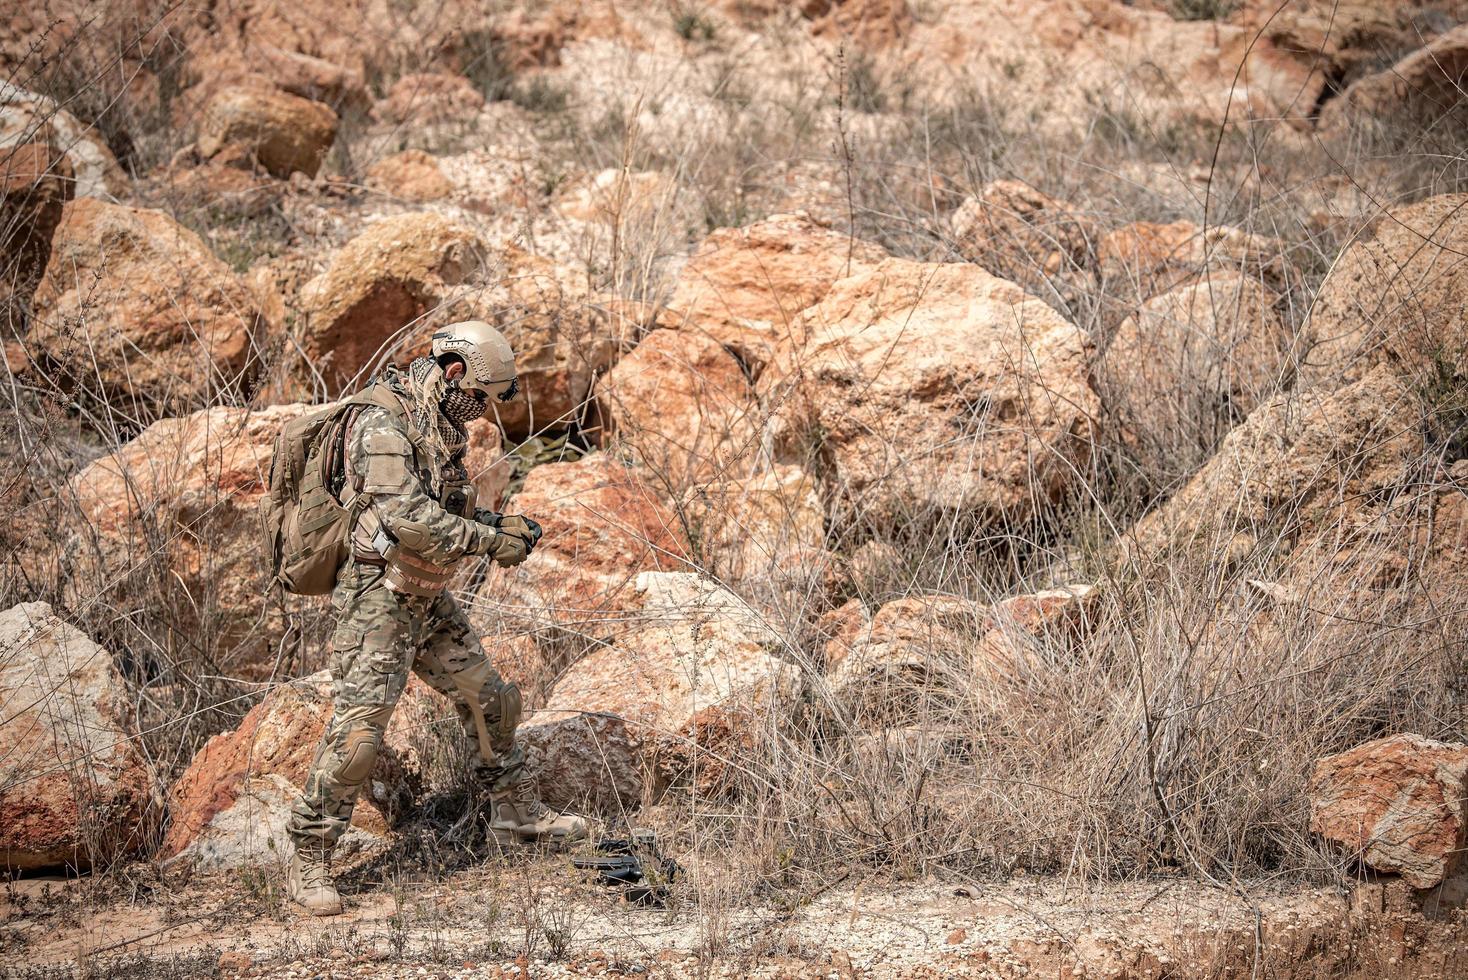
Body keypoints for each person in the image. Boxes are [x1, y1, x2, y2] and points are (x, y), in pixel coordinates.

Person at [284, 320, 587, 916]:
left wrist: (497, 525)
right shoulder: (382, 425)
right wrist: (488, 543)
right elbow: (410, 520)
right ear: (454, 374)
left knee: (489, 698)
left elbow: (447, 504)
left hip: (425, 593)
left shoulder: (436, 420)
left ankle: (515, 813)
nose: (481, 414)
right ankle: (310, 853)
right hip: (378, 599)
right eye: (479, 396)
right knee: (361, 730)